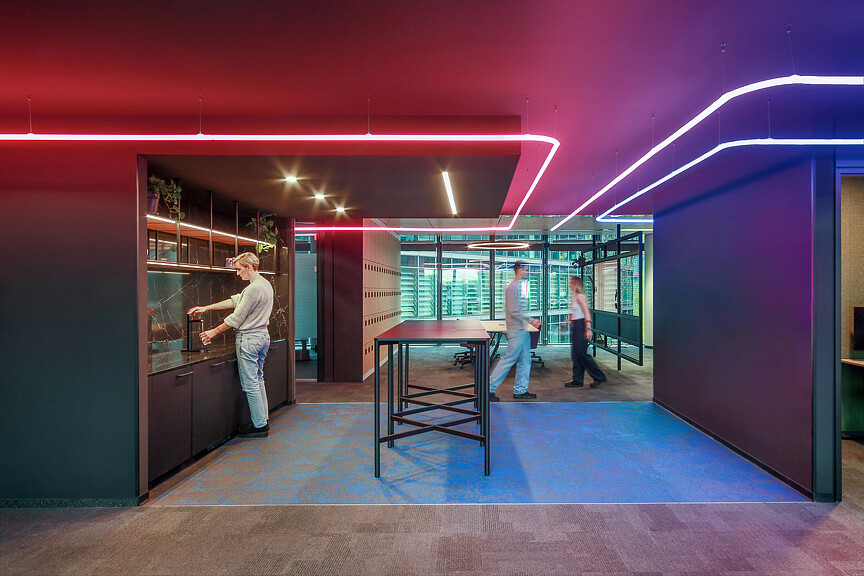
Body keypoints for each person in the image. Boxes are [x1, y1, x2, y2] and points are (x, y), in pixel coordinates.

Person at [188, 252, 274, 438]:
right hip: (262, 338)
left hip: (249, 339)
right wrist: (207, 307)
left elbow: (237, 317)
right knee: (258, 379)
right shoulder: (263, 284)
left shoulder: (253, 289)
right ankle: (263, 420)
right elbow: (236, 300)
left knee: (250, 383)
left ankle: (259, 426)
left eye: (239, 269)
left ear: (249, 267)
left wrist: (214, 331)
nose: (237, 273)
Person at [489, 261, 542, 401]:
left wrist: (528, 321)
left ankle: (520, 390)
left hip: (522, 330)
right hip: (515, 330)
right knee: (509, 359)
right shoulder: (512, 287)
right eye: (526, 269)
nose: (528, 272)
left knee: (525, 360)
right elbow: (514, 311)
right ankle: (489, 388)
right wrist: (530, 319)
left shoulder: (519, 287)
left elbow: (519, 310)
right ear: (519, 270)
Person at [564, 276, 607, 388]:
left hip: (581, 326)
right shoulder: (575, 297)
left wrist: (588, 329)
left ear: (577, 284)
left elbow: (586, 313)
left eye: (572, 282)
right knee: (576, 355)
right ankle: (577, 380)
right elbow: (576, 313)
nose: (570, 284)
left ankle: (599, 376)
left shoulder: (579, 297)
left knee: (582, 354)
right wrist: (566, 321)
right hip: (575, 327)